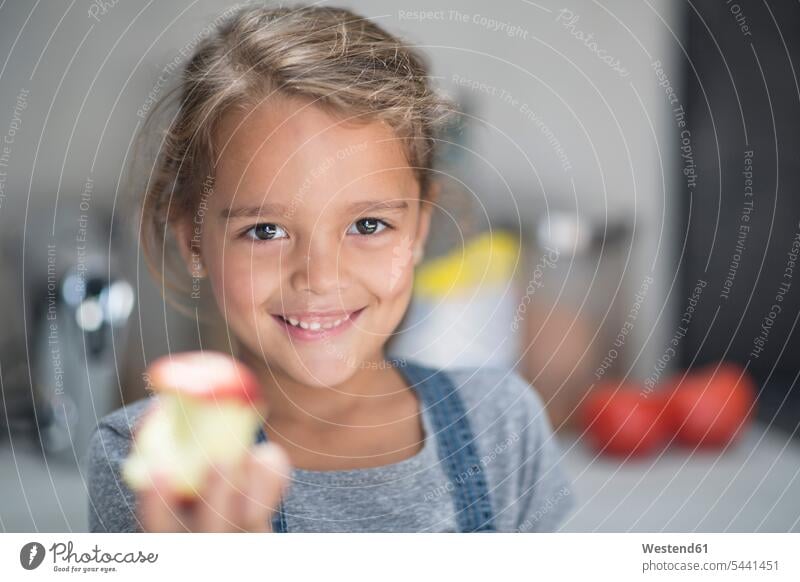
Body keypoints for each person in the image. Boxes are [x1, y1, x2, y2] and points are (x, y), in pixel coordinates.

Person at [85, 3, 575, 533]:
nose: (320, 277)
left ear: (418, 228)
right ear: (192, 239)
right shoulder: (148, 456)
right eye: (265, 230)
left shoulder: (502, 422)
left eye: (367, 226)